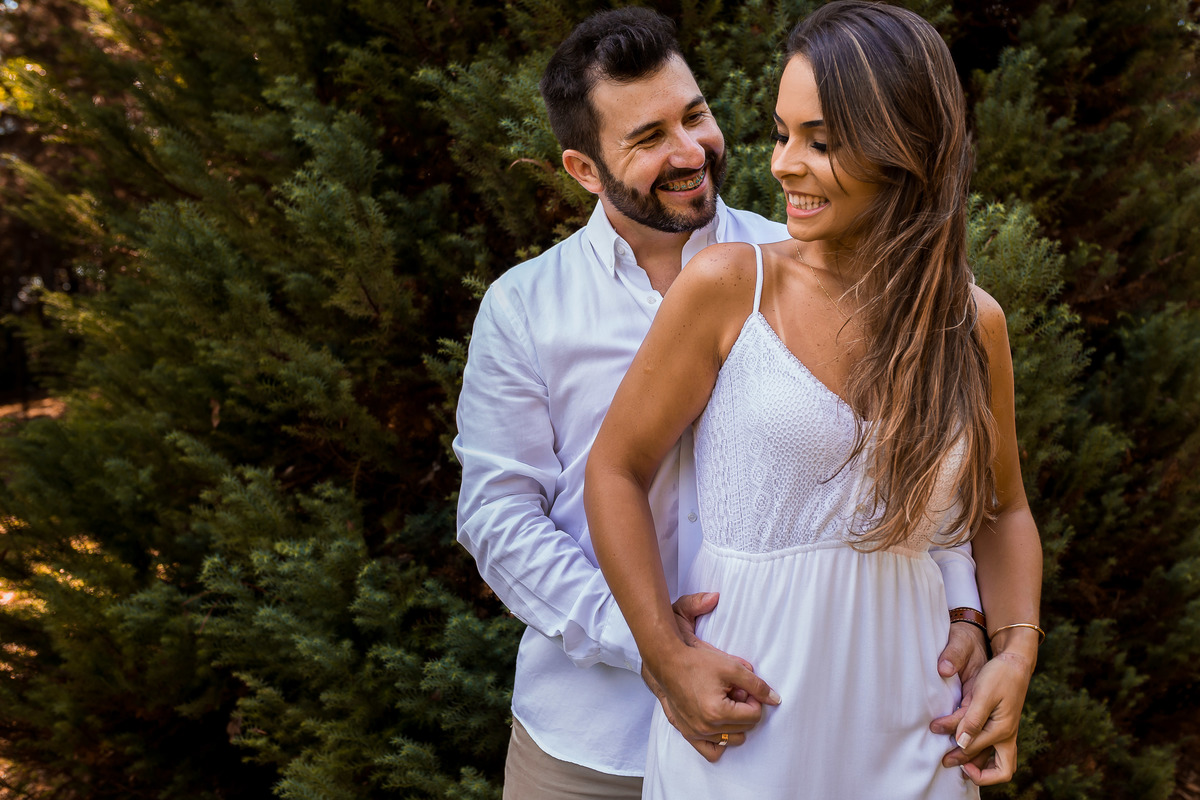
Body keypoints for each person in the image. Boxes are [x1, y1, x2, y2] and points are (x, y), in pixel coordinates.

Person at [454, 7, 990, 798]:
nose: (689, 151)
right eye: (648, 138)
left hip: (795, 725)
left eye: (694, 116)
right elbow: (499, 517)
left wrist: (965, 612)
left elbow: (898, 459)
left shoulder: (811, 256)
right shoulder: (525, 308)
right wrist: (655, 646)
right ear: (585, 169)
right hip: (589, 740)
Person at [585, 2, 1043, 798]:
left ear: (906, 147)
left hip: (918, 734)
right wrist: (664, 654)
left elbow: (1004, 511)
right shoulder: (732, 286)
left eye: (820, 142)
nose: (783, 165)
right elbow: (615, 470)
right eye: (782, 134)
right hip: (744, 728)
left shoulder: (973, 325)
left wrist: (1016, 654)